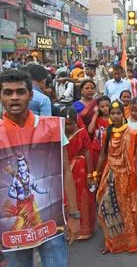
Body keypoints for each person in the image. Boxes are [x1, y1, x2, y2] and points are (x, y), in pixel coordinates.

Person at [0, 70, 80, 266]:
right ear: (0, 97)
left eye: (20, 92)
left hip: (51, 222)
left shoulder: (52, 128)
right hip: (11, 230)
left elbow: (65, 171)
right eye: (8, 93)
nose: (15, 97)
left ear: (31, 95)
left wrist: (75, 215)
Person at [95, 100, 137, 254]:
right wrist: (95, 174)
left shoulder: (132, 133)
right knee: (105, 207)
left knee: (123, 209)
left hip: (125, 176)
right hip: (110, 175)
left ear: (122, 115)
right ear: (109, 115)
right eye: (113, 113)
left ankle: (128, 240)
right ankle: (110, 240)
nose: (116, 116)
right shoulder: (107, 133)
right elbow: (102, 155)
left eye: (119, 113)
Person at [61, 107, 96, 240]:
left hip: (80, 170)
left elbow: (87, 152)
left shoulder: (82, 133)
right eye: (66, 124)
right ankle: (68, 227)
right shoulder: (59, 134)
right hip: (65, 168)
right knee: (67, 198)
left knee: (82, 198)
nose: (68, 127)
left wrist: (90, 174)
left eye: (71, 124)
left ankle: (84, 230)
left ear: (76, 122)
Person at [88, 95, 111, 170]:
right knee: (96, 172)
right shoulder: (97, 118)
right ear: (98, 107)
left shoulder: (114, 119)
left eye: (107, 105)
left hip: (109, 151)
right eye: (102, 106)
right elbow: (90, 130)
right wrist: (95, 115)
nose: (105, 108)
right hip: (96, 150)